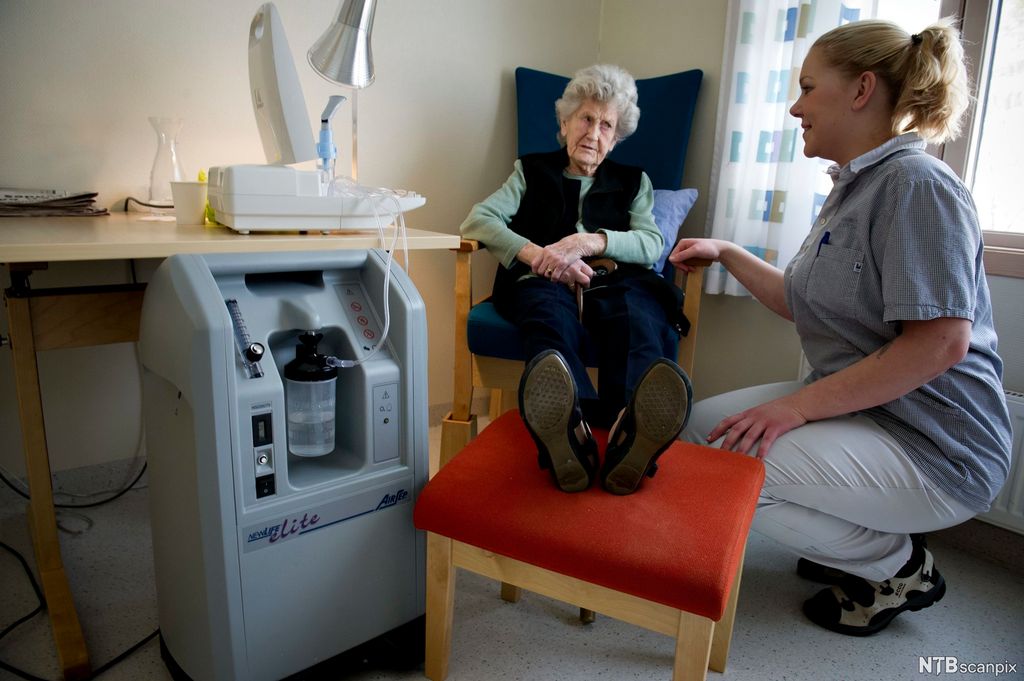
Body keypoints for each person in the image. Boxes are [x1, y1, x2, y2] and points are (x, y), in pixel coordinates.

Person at [670, 18, 1012, 636]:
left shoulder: (918, 185)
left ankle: (898, 566)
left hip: (936, 443)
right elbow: (803, 301)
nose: (796, 106)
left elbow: (940, 343)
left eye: (807, 87)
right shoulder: (856, 186)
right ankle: (858, 538)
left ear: (861, 90)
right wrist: (725, 250)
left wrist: (796, 409)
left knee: (733, 466)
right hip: (874, 413)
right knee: (702, 431)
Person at [461, 64, 692, 496]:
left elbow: (649, 244)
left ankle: (630, 434)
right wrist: (538, 255)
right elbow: (478, 220)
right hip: (542, 280)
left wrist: (589, 243)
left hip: (616, 282)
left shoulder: (633, 181)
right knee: (547, 316)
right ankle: (571, 430)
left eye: (607, 124)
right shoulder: (530, 170)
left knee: (638, 318)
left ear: (617, 134)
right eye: (586, 119)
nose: (594, 132)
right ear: (564, 122)